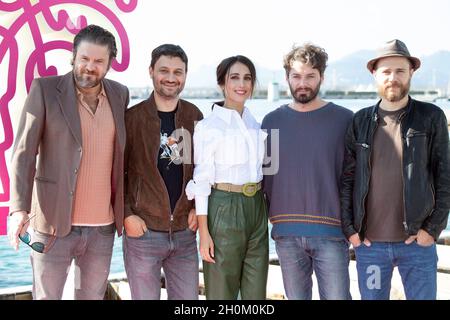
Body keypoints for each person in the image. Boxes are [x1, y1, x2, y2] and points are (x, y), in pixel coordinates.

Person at [8, 24, 129, 300]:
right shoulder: (46, 90)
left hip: (103, 228)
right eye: (84, 58)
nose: (90, 66)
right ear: (73, 56)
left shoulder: (120, 94)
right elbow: (24, 153)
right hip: (52, 224)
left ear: (109, 64)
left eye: (99, 61)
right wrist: (18, 209)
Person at [341, 39, 450, 300]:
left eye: (400, 71)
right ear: (375, 74)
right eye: (386, 72)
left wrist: (431, 230)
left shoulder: (431, 117)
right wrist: (351, 231)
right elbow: (348, 179)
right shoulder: (360, 121)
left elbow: (445, 178)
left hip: (417, 246)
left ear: (411, 72)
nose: (393, 78)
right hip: (371, 248)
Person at [262, 43, 353, 300]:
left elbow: (355, 178)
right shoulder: (271, 122)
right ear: (287, 78)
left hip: (332, 233)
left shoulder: (345, 120)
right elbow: (266, 177)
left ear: (321, 77)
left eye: (310, 76)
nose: (303, 83)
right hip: (286, 234)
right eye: (297, 76)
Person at [123, 44, 203, 300]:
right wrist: (126, 214)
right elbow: (117, 173)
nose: (171, 77)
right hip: (143, 233)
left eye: (178, 71)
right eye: (164, 70)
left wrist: (197, 209)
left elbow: (203, 171)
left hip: (184, 234)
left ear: (185, 75)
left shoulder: (195, 116)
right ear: (151, 71)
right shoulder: (132, 118)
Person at [185, 55, 268, 299]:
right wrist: (204, 233)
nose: (241, 84)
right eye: (234, 78)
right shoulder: (209, 126)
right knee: (222, 295)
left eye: (247, 78)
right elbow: (201, 182)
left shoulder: (255, 124)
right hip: (224, 208)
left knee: (256, 295)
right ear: (222, 83)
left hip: (257, 209)